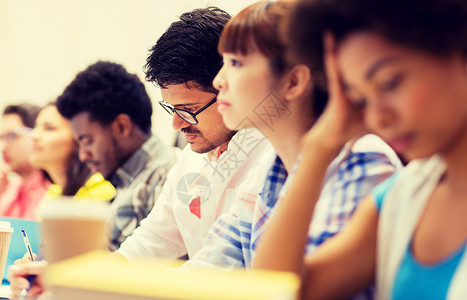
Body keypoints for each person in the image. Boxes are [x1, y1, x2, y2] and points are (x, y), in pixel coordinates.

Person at [253, 0, 467, 299]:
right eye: (360, 99)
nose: (378, 117)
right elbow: (274, 291)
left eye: (389, 82)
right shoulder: (401, 199)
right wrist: (319, 146)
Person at [184, 0, 400, 288]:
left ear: (294, 81)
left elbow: (290, 289)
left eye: (235, 63)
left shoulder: (365, 162)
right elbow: (205, 271)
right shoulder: (265, 171)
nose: (218, 80)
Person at [115, 6, 271, 261]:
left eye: (188, 110)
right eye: (172, 109)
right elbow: (151, 241)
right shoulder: (192, 159)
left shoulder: (271, 155)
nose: (177, 124)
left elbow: (221, 266)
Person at [56, 61, 176, 251]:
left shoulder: (168, 176)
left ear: (122, 127)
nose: (83, 155)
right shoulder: (128, 182)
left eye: (87, 140)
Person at [30, 103, 116, 201]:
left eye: (49, 128)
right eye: (35, 126)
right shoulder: (53, 193)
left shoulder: (99, 193)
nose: (34, 135)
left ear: (78, 138)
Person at [0, 104, 50, 219]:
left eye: (12, 136)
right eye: (1, 138)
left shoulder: (53, 192)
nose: (3, 147)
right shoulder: (9, 190)